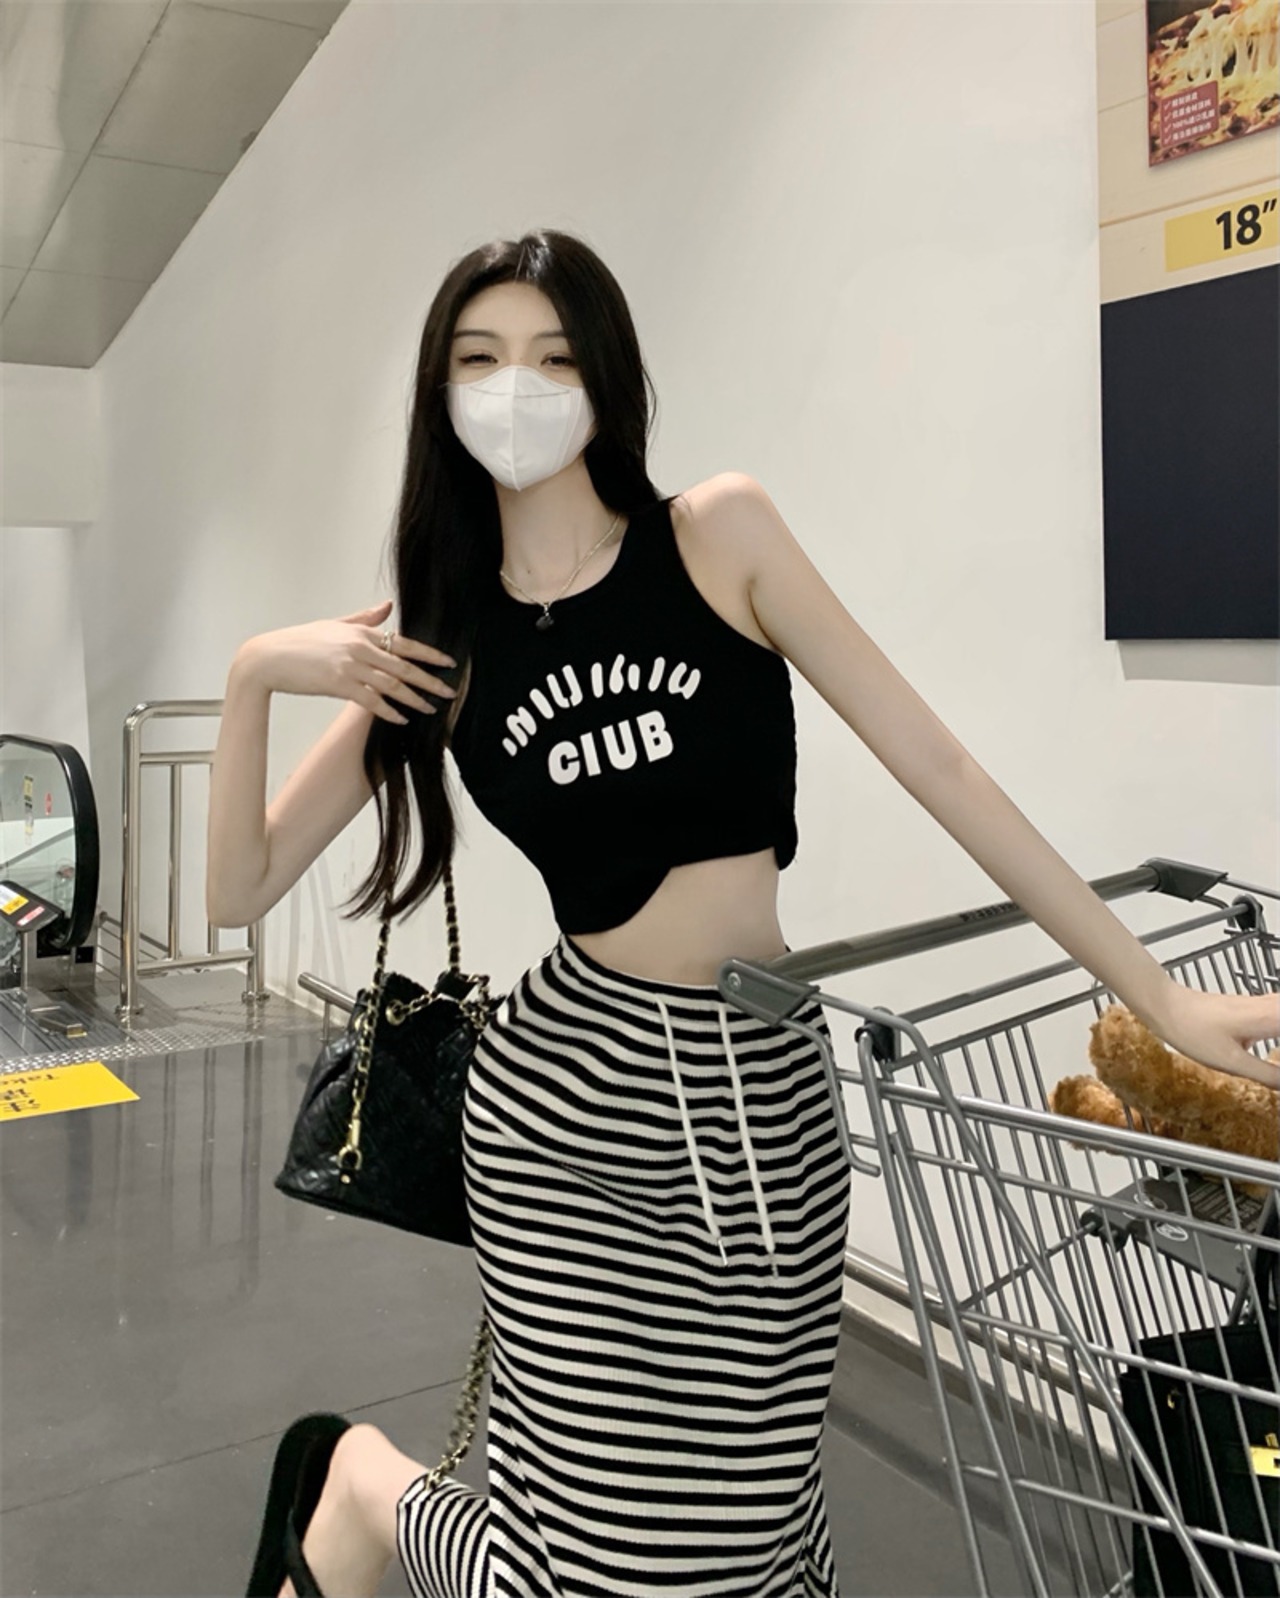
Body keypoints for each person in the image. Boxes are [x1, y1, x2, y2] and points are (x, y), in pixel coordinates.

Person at [207, 229, 1280, 1598]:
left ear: (607, 377)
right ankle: (357, 1487)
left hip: (767, 1089)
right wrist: (258, 670)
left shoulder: (717, 537)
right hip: (569, 1109)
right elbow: (238, 887)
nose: (517, 387)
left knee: (756, 1531)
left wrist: (1158, 993)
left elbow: (941, 765)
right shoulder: (445, 639)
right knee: (633, 1568)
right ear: (440, 394)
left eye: (554, 357)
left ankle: (371, 1496)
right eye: (480, 359)